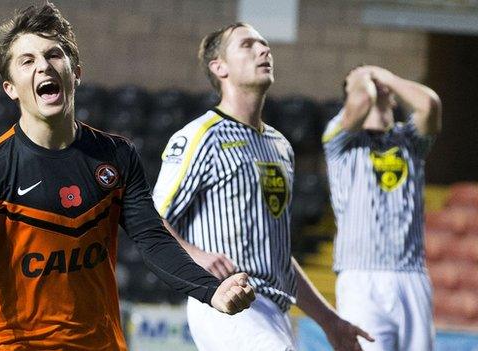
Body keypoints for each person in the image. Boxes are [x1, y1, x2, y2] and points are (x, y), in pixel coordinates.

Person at [0, 3, 255, 350]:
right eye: (27, 60)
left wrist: (211, 290)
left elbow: (153, 239)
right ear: (11, 88)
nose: (44, 65)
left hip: (98, 343)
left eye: (53, 55)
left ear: (75, 72)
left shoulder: (116, 157)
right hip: (10, 344)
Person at [152, 22, 373, 351]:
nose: (263, 49)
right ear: (219, 67)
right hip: (223, 302)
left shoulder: (279, 145)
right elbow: (150, 218)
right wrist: (195, 255)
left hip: (274, 311)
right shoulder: (200, 136)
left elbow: (278, 256)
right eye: (247, 45)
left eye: (264, 44)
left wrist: (329, 320)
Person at [322, 65, 442, 350]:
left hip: (411, 273)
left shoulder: (410, 140)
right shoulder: (340, 139)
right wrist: (364, 80)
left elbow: (430, 105)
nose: (371, 85)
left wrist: (384, 75)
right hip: (361, 276)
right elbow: (361, 101)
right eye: (361, 83)